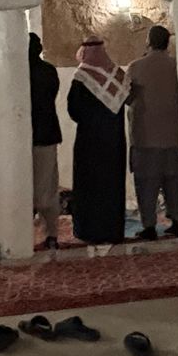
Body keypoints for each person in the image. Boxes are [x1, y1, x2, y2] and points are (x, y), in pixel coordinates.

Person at [67, 36, 129, 245]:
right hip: (114, 143)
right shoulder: (118, 75)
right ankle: (112, 229)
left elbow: (73, 110)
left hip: (89, 143)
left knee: (90, 186)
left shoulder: (82, 77)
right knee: (112, 185)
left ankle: (88, 230)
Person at [125, 25, 178, 240]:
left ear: (148, 42)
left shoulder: (136, 67)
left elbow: (126, 97)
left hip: (145, 136)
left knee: (146, 185)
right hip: (174, 135)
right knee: (174, 183)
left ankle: (149, 225)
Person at [29, 32, 63, 250]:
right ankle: (52, 234)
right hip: (47, 134)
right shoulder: (49, 71)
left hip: (24, 137)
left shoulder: (18, 72)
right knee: (47, 188)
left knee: (24, 189)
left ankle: (23, 237)